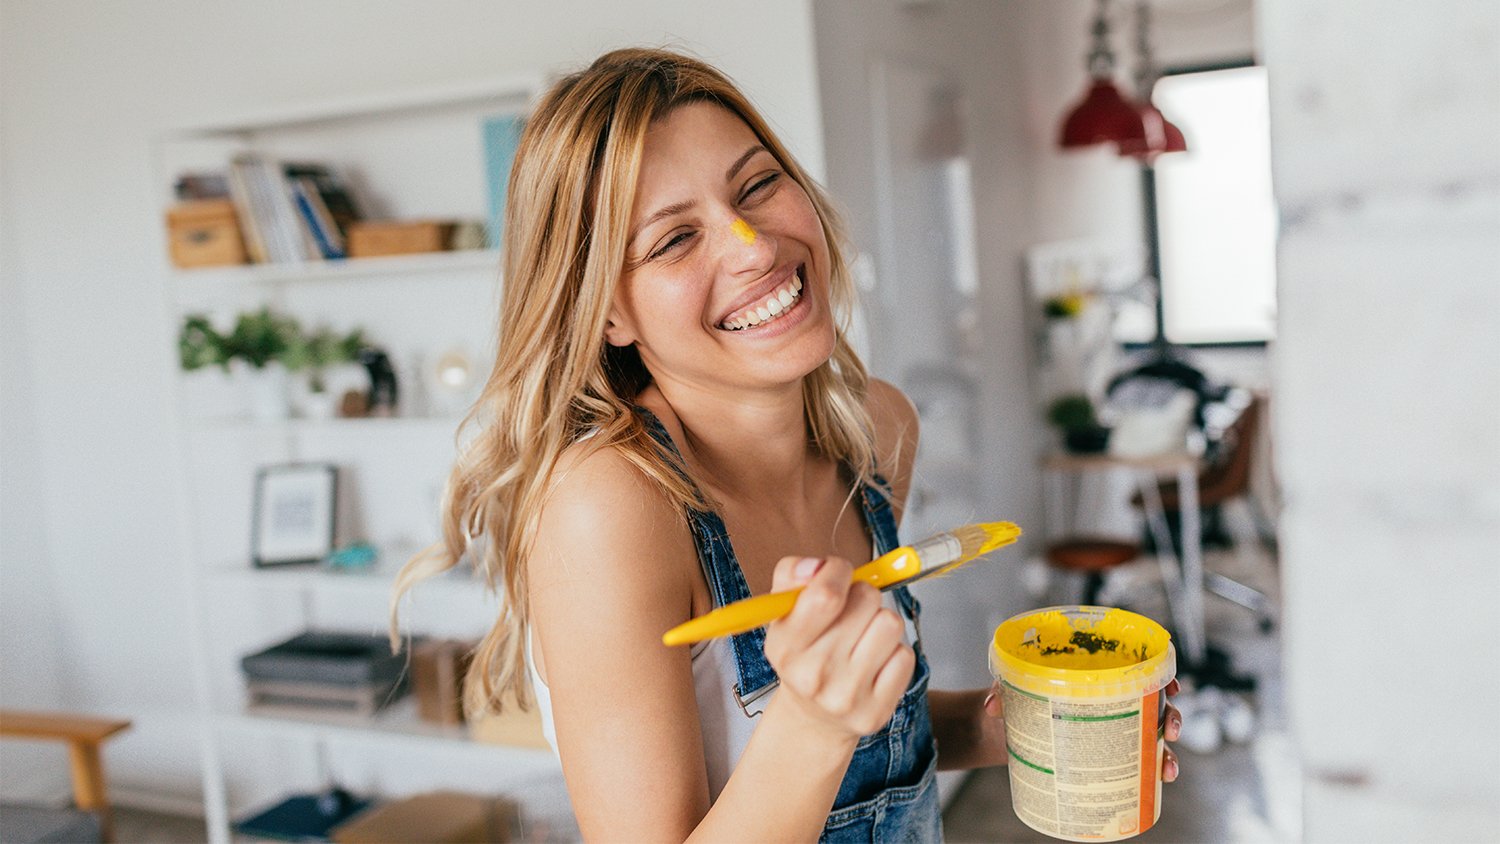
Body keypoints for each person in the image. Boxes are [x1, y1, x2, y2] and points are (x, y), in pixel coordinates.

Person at [395, 47, 1182, 840]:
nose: (752, 246)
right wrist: (811, 722)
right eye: (674, 240)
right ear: (608, 315)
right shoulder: (610, 508)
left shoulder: (875, 430)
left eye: (758, 185)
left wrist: (1010, 728)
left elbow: (879, 746)